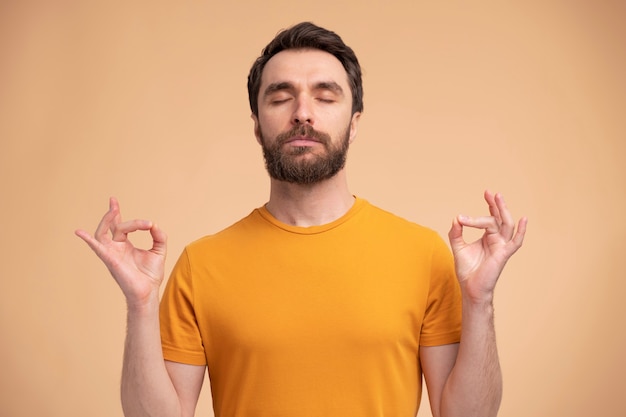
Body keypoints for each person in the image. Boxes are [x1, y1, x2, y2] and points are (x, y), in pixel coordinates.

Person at [76, 22, 527, 417]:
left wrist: (480, 302)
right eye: (281, 97)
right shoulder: (201, 265)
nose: (303, 113)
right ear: (257, 124)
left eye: (325, 96)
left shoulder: (423, 253)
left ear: (353, 123)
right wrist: (139, 306)